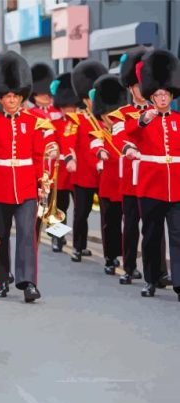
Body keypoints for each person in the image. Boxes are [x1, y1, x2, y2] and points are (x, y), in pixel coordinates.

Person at [0, 51, 50, 302]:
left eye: (15, 96)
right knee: (0, 235)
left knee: (27, 232)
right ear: (0, 98)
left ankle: (28, 283)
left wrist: (42, 181)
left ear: (21, 96)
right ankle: (3, 277)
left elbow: (38, 155)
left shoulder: (34, 120)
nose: (12, 100)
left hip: (26, 185)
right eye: (7, 96)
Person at [108, 48, 169, 286]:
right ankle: (129, 266)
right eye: (136, 85)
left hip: (154, 177)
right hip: (131, 179)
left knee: (155, 227)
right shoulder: (121, 114)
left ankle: (159, 271)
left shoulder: (161, 114)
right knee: (131, 224)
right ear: (130, 88)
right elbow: (118, 138)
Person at [123, 49, 180, 300]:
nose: (161, 98)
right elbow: (127, 134)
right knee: (151, 235)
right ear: (152, 96)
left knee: (178, 236)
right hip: (150, 186)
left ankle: (178, 282)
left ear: (170, 95)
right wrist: (143, 120)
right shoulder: (141, 119)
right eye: (157, 95)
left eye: (165, 94)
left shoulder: (178, 119)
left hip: (176, 185)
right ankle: (150, 280)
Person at [65, 61, 108, 262]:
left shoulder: (106, 118)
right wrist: (69, 157)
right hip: (83, 175)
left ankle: (110, 252)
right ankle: (77, 246)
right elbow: (68, 141)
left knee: (108, 216)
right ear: (85, 99)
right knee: (81, 214)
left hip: (104, 174)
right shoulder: (77, 119)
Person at [90, 74, 127, 275]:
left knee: (128, 224)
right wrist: (99, 153)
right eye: (107, 114)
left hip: (126, 183)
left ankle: (127, 260)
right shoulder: (98, 131)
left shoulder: (126, 128)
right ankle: (109, 257)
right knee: (108, 222)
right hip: (105, 183)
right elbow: (94, 145)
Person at [48, 72, 80, 252]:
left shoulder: (81, 122)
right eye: (66, 107)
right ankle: (57, 238)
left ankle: (78, 241)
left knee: (80, 209)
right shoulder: (56, 123)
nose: (69, 110)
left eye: (72, 106)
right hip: (60, 170)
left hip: (76, 170)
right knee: (59, 207)